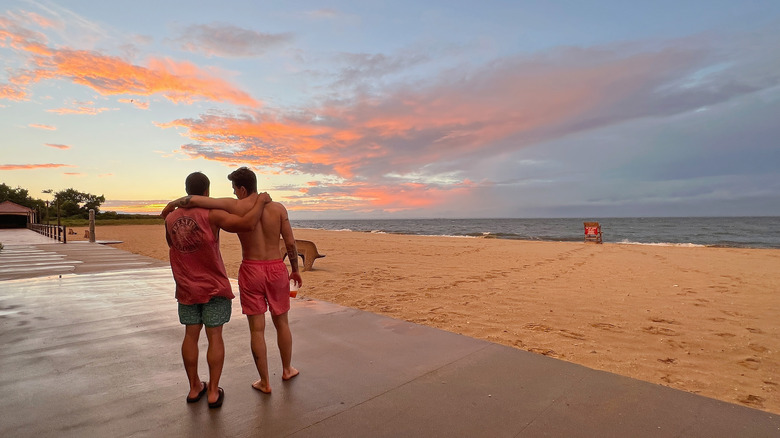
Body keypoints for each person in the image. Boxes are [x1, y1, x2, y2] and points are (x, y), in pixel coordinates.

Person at [162, 167, 301, 394]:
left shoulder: (235, 208)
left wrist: (175, 203)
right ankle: (286, 369)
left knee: (257, 329)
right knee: (281, 322)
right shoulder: (278, 209)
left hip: (251, 268)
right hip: (276, 268)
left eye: (235, 190)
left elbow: (201, 201)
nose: (234, 194)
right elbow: (291, 243)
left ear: (242, 188)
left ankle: (265, 382)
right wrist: (295, 269)